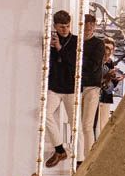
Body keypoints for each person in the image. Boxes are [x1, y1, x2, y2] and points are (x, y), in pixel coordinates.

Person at [45, 9, 77, 167]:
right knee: (44, 114)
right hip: (55, 87)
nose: (65, 29)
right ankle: (59, 149)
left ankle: (80, 158)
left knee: (76, 123)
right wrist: (50, 47)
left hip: (71, 88)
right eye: (61, 27)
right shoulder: (50, 41)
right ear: (55, 27)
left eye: (67, 26)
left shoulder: (76, 41)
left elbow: (74, 64)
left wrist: (59, 48)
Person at [78, 13, 107, 161]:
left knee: (87, 125)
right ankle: (78, 156)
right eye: (86, 27)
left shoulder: (98, 44)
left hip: (91, 87)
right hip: (76, 87)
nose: (88, 30)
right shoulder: (76, 42)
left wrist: (77, 62)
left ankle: (88, 158)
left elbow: (93, 66)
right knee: (76, 124)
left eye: (91, 27)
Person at [96, 36, 125, 139]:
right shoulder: (96, 61)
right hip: (94, 96)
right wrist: (108, 77)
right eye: (106, 48)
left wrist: (115, 80)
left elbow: (109, 88)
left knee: (103, 128)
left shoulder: (110, 63)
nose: (108, 51)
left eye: (111, 49)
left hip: (105, 98)